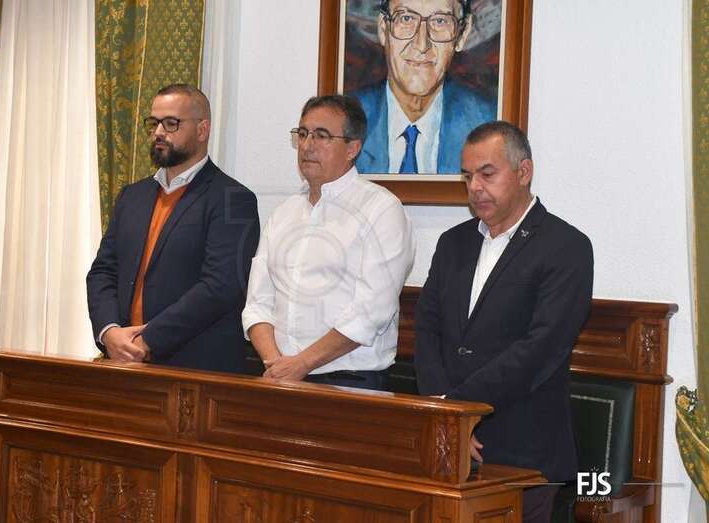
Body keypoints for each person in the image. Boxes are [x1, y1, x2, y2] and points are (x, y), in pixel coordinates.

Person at [415, 121, 593, 522]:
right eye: (467, 176)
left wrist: (459, 413)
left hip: (523, 451)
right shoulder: (453, 243)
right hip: (446, 441)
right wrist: (446, 418)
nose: (475, 187)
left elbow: (541, 348)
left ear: (523, 171)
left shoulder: (566, 247)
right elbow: (427, 329)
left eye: (487, 174)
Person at [242, 94, 415, 391]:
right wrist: (276, 363)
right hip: (277, 375)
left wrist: (302, 363)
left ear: (352, 148)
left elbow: (372, 311)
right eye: (303, 133)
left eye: (321, 136)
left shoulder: (381, 209)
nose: (307, 145)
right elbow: (258, 302)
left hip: (350, 382)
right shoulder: (284, 212)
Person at [86, 84, 260, 373]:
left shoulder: (232, 199)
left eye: (171, 123)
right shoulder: (132, 196)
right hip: (124, 363)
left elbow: (221, 287)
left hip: (195, 370)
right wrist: (110, 332)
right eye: (154, 123)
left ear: (202, 130)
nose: (158, 132)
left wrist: (147, 340)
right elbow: (103, 271)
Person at [351, 0, 496, 174]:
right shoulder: (345, 122)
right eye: (406, 18)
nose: (421, 45)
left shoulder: (488, 125)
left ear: (462, 34)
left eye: (440, 21)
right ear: (383, 28)